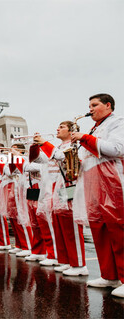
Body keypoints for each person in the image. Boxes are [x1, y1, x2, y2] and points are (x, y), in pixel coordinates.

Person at [71, 93, 124, 297]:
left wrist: (85, 138)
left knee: (118, 228)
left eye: (95, 105)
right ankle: (109, 275)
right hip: (94, 179)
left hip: (111, 179)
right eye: (89, 105)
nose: (90, 109)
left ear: (108, 105)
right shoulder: (96, 127)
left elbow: (117, 149)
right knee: (99, 227)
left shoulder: (117, 122)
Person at [35, 121, 88, 275]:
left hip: (70, 186)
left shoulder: (76, 145)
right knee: (60, 225)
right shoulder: (58, 147)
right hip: (57, 187)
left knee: (71, 225)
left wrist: (45, 144)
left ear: (72, 131)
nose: (57, 129)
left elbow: (65, 160)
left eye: (62, 127)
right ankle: (66, 261)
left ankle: (79, 265)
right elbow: (39, 161)